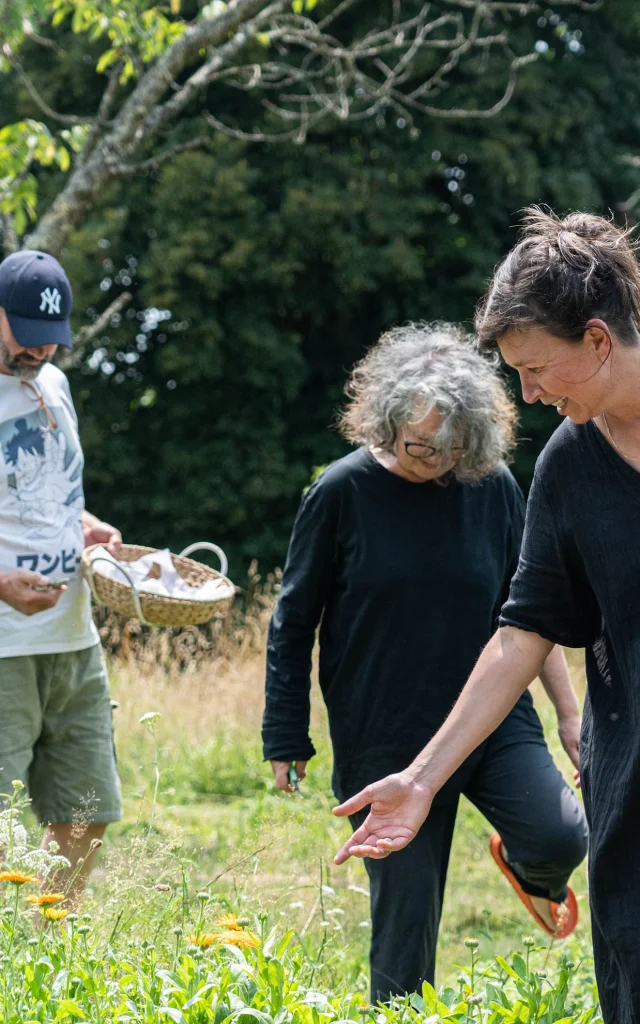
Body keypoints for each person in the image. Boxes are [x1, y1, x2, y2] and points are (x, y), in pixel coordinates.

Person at [332, 209, 640, 1023]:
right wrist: (421, 781)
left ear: (599, 340)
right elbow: (522, 630)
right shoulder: (571, 466)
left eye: (538, 369)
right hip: (631, 789)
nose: (529, 394)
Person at [262, 322, 587, 1001]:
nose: (432, 461)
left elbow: (532, 611)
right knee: (404, 950)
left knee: (560, 838)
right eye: (417, 447)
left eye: (450, 450)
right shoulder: (341, 494)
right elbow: (293, 621)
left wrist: (567, 714)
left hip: (493, 721)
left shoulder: (491, 487)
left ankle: (533, 876)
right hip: (385, 736)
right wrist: (286, 733)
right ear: (385, 423)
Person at [0, 249, 123, 900]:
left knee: (87, 810)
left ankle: (40, 949)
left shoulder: (55, 385)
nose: (39, 353)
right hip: (3, 647)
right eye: (25, 335)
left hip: (73, 638)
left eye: (52, 340)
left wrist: (87, 527)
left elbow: (51, 491)